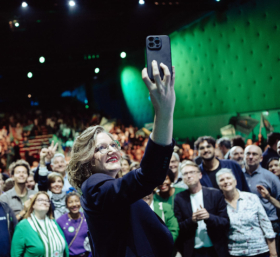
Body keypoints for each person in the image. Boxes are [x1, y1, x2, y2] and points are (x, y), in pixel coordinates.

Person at [66, 61, 176, 256]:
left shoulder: (112, 188)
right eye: (100, 147)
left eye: (113, 145)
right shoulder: (93, 185)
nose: (111, 150)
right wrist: (164, 112)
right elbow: (146, 177)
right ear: (87, 161)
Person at [174, 160, 230, 257]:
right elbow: (179, 227)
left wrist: (209, 217)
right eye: (185, 173)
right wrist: (192, 221)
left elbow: (225, 222)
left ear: (200, 175)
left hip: (215, 249)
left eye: (192, 172)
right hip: (193, 251)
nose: (188, 176)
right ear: (182, 178)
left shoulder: (215, 194)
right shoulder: (180, 198)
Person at [216, 168, 277, 257]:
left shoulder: (252, 198)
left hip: (260, 251)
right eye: (222, 180)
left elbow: (266, 225)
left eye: (228, 178)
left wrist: (273, 253)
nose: (226, 181)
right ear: (219, 185)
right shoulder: (219, 204)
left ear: (235, 181)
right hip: (236, 253)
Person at [243, 145, 280, 252]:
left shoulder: (270, 177)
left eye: (254, 154)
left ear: (261, 158)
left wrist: (268, 197)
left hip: (269, 223)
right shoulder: (237, 175)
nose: (250, 157)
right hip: (245, 224)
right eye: (248, 154)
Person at [11, 192, 69, 257]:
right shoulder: (23, 226)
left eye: (47, 201)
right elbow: (15, 253)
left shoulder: (54, 223)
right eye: (40, 200)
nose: (44, 202)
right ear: (33, 205)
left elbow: (65, 249)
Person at [57, 192, 91, 257]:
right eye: (70, 202)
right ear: (66, 205)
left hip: (87, 255)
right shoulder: (60, 221)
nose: (74, 204)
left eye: (77, 201)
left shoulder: (87, 218)